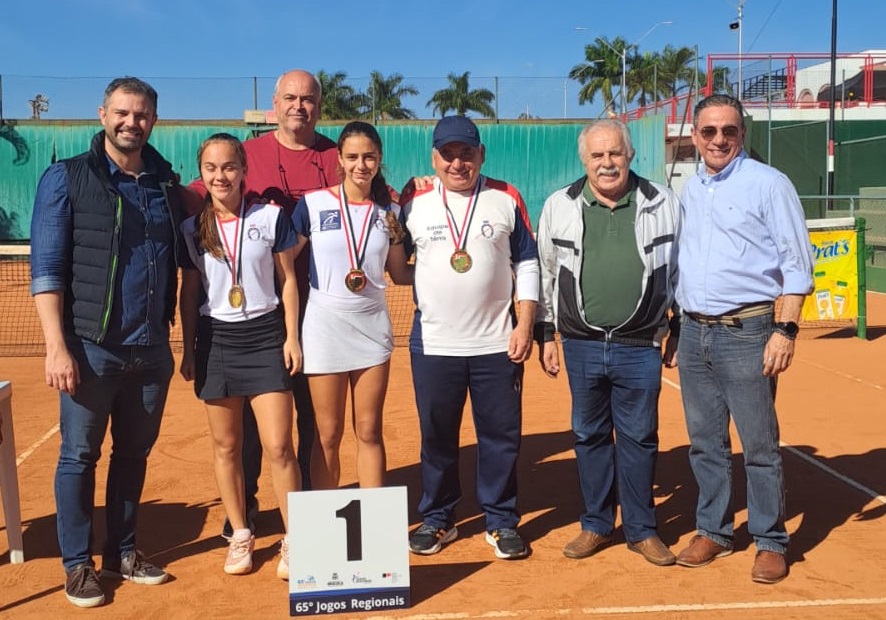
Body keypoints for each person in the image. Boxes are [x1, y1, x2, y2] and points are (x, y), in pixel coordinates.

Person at [30, 77, 187, 608]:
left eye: (141, 115)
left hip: (150, 349)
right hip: (89, 348)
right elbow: (47, 268)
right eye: (122, 112)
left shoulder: (166, 185)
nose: (131, 123)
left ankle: (124, 550)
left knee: (134, 455)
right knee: (78, 455)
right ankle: (78, 565)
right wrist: (57, 346)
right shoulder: (66, 178)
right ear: (102, 114)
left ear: (153, 121)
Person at [191, 69, 339, 539]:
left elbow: (373, 193)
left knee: (311, 420)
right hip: (257, 311)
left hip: (323, 306)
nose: (299, 106)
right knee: (251, 430)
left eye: (309, 99)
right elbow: (201, 195)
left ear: (319, 104)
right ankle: (246, 512)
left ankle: (310, 518)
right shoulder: (246, 153)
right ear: (274, 103)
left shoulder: (337, 156)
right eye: (290, 97)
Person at [674, 94, 814, 584]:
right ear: (695, 135)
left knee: (759, 444)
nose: (718, 140)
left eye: (728, 131)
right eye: (709, 131)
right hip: (693, 333)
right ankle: (712, 530)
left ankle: (770, 539)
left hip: (749, 331)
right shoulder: (691, 190)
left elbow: (798, 265)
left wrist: (785, 328)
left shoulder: (769, 184)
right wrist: (676, 324)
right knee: (705, 443)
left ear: (741, 134)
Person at [535, 119, 681, 566]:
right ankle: (596, 524)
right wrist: (546, 333)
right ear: (584, 160)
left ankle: (641, 529)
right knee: (589, 434)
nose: (607, 163)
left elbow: (681, 268)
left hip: (639, 344)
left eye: (615, 153)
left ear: (630, 154)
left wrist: (677, 327)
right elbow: (544, 271)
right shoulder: (559, 205)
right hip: (580, 342)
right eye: (597, 155)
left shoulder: (663, 201)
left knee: (639, 436)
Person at [401, 115, 539, 560]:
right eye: (448, 154)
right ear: (434, 158)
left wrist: (525, 324)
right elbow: (390, 254)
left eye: (467, 153)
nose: (457, 163)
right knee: (436, 436)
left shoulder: (505, 196)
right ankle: (439, 519)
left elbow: (529, 264)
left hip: (497, 343)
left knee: (500, 436)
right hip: (435, 343)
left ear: (481, 154)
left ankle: (500, 521)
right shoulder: (414, 202)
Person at [179, 133, 302, 579]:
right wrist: (191, 348)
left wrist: (292, 338)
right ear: (202, 173)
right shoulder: (192, 228)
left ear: (244, 170)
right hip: (216, 342)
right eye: (210, 168)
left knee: (278, 446)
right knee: (226, 447)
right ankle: (242, 535)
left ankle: (295, 538)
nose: (220, 175)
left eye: (229, 166)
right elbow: (190, 290)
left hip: (265, 337)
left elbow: (288, 280)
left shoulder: (271, 218)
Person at [291, 121, 411, 490]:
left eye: (369, 156)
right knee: (327, 434)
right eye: (353, 157)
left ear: (379, 160)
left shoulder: (389, 211)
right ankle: (327, 525)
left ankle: (372, 525)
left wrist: (451, 273)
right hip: (324, 326)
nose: (362, 164)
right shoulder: (312, 205)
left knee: (369, 430)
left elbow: (400, 273)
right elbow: (284, 265)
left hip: (372, 327)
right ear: (339, 160)